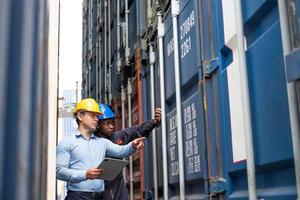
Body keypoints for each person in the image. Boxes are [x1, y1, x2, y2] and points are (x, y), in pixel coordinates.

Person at [56, 98, 145, 200]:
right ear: (80, 116)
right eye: (93, 115)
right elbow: (59, 171)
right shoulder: (67, 142)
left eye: (97, 116)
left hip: (100, 196)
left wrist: (132, 146)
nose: (97, 119)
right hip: (77, 196)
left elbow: (120, 151)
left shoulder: (102, 142)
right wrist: (85, 174)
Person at [96, 103, 161, 200]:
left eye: (112, 122)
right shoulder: (91, 144)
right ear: (97, 125)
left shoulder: (118, 138)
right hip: (100, 192)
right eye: (107, 124)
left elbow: (138, 131)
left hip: (119, 190)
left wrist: (155, 121)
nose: (112, 126)